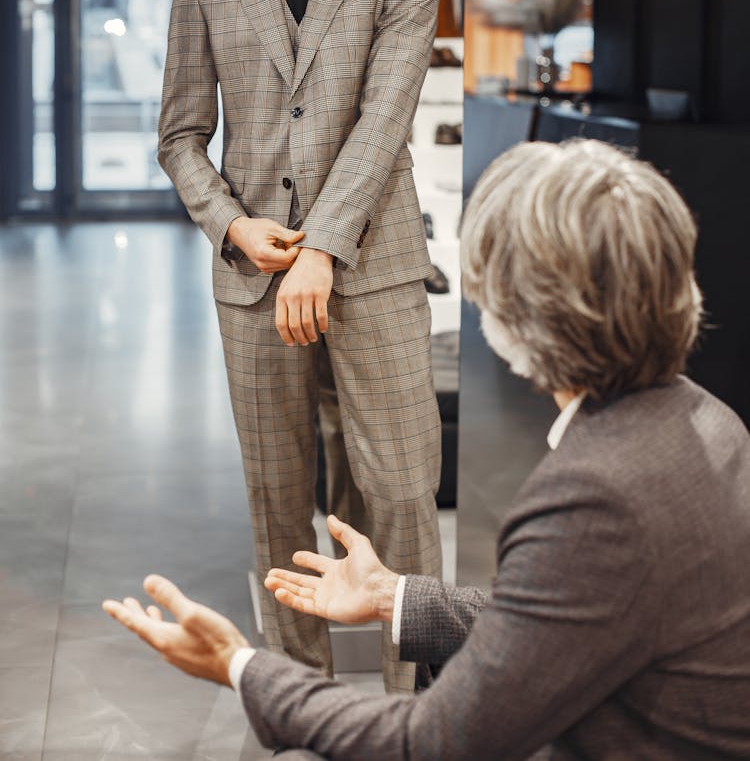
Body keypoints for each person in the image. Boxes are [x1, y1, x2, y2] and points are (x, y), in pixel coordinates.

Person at [104, 138, 750, 758]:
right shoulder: (712, 421)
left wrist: (239, 666)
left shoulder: (593, 497)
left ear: (512, 315)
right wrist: (397, 596)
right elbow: (568, 613)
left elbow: (430, 742)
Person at [156, 0, 442, 692]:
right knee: (280, 498)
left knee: (401, 491)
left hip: (376, 264)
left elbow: (383, 117)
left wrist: (321, 247)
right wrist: (232, 225)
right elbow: (181, 136)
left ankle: (426, 704)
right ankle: (297, 695)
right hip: (252, 273)